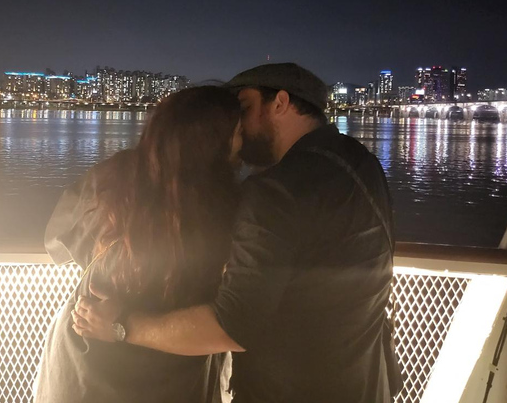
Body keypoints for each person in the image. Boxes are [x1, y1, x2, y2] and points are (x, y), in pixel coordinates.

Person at [73, 63, 401, 403]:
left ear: (280, 103)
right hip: (366, 385)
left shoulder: (276, 191)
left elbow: (232, 325)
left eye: (244, 109)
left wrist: (122, 326)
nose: (238, 125)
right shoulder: (363, 163)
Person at [34, 86, 244, 403]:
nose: (244, 144)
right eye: (239, 133)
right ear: (215, 142)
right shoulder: (228, 208)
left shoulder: (115, 175)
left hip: (84, 355)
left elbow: (57, 241)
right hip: (170, 368)